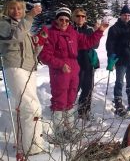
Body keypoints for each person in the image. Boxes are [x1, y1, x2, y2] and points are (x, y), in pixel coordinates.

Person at [39, 7, 108, 141]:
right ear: (57, 20)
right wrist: (60, 65)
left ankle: (69, 128)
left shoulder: (73, 33)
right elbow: (44, 55)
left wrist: (100, 31)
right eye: (61, 20)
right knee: (60, 101)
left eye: (66, 20)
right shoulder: (51, 33)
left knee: (70, 100)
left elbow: (88, 42)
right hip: (59, 73)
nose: (64, 22)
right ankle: (59, 131)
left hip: (73, 71)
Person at [0, 0, 44, 155]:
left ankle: (23, 143)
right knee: (31, 107)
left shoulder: (25, 26)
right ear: (7, 9)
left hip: (29, 68)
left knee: (25, 107)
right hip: (14, 66)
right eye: (12, 8)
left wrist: (39, 44)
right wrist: (30, 17)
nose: (16, 11)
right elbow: (15, 37)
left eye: (19, 8)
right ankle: (33, 148)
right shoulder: (3, 23)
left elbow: (31, 52)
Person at [72, 8, 99, 120]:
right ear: (73, 17)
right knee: (74, 88)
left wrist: (97, 32)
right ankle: (68, 111)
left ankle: (84, 112)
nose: (80, 18)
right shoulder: (70, 29)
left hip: (88, 63)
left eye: (83, 16)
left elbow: (95, 45)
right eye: (78, 16)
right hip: (74, 63)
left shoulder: (89, 30)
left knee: (88, 88)